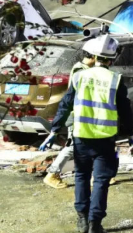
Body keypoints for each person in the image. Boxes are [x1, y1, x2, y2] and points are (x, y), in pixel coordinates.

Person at [40, 34, 133, 233]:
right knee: (101, 181)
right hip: (105, 139)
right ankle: (95, 224)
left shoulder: (79, 77)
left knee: (82, 177)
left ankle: (82, 220)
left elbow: (65, 105)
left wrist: (54, 130)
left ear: (94, 56)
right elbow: (125, 110)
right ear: (112, 59)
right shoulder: (116, 80)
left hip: (81, 137)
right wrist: (130, 135)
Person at [43, 55, 96, 189]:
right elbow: (70, 99)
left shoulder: (82, 69)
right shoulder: (81, 71)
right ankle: (52, 174)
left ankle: (96, 176)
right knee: (72, 147)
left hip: (82, 116)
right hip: (78, 117)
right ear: (94, 56)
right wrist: (55, 130)